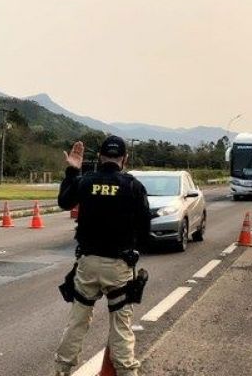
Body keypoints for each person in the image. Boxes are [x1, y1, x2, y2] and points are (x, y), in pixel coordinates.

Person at [53, 135, 153, 376]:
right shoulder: (132, 186)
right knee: (121, 325)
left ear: (99, 157)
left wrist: (71, 170)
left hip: (87, 263)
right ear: (125, 159)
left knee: (78, 321)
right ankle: (127, 372)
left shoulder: (86, 181)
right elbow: (145, 228)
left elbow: (64, 202)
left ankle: (61, 370)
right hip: (118, 265)